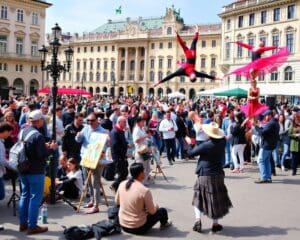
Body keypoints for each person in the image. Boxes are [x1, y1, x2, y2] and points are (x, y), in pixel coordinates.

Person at [186, 122, 232, 233]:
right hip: (218, 173)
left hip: (205, 174)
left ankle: (198, 220)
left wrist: (190, 143)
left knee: (198, 198)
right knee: (216, 199)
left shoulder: (207, 145)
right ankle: (215, 224)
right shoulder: (221, 143)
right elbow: (223, 138)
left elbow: (191, 153)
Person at [18, 110, 57, 235]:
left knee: (25, 195)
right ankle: (32, 226)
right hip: (35, 170)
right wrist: (51, 149)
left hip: (23, 168)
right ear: (39, 120)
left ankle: (23, 223)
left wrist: (43, 146)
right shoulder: (38, 135)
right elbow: (41, 155)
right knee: (35, 198)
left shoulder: (23, 131)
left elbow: (28, 148)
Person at [115, 163, 172, 235]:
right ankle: (164, 224)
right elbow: (152, 212)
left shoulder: (122, 184)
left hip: (123, 225)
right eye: (144, 171)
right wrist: (156, 206)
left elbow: (117, 202)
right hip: (138, 228)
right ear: (141, 173)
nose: (145, 172)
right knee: (162, 211)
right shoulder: (144, 190)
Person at [153, 31, 221, 87]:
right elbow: (205, 75)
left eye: (193, 77)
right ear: (196, 77)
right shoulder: (196, 73)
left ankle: (179, 35)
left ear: (190, 78)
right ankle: (197, 31)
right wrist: (215, 78)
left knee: (183, 45)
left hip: (188, 55)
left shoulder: (183, 71)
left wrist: (159, 82)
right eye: (195, 77)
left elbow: (171, 76)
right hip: (193, 55)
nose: (194, 75)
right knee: (194, 42)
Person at [75, 112, 108, 214]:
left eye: (92, 121)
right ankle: (92, 200)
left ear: (97, 120)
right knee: (88, 181)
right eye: (88, 120)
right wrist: (78, 136)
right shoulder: (86, 128)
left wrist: (102, 151)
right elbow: (78, 140)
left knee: (95, 183)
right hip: (85, 157)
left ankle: (96, 205)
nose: (89, 123)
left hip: (96, 159)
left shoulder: (102, 131)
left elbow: (105, 146)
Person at [254, 110, 280, 183]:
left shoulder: (271, 123)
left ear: (269, 115)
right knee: (266, 161)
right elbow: (265, 132)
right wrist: (260, 127)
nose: (265, 117)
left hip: (267, 145)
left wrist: (256, 127)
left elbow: (262, 133)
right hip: (271, 145)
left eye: (266, 116)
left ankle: (264, 177)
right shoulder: (275, 122)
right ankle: (268, 177)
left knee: (260, 160)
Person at [110, 116, 128, 192]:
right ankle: (115, 186)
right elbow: (115, 145)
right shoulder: (115, 131)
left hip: (122, 155)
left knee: (125, 172)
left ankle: (118, 187)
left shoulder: (121, 130)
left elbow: (122, 141)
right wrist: (123, 151)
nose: (125, 124)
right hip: (118, 156)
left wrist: (126, 144)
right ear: (119, 122)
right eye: (124, 122)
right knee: (122, 173)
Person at [132, 116, 152, 185]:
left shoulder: (142, 129)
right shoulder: (136, 130)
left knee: (147, 167)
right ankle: (140, 183)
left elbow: (145, 138)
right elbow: (136, 140)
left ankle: (145, 181)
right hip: (140, 151)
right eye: (142, 122)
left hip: (145, 150)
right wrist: (145, 136)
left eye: (144, 121)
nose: (144, 123)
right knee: (141, 168)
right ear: (138, 122)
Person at [288, 110, 300, 176]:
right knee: (294, 159)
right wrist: (295, 135)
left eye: (298, 119)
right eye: (296, 119)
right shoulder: (292, 125)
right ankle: (294, 170)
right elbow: (289, 134)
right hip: (294, 144)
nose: (297, 120)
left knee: (298, 159)